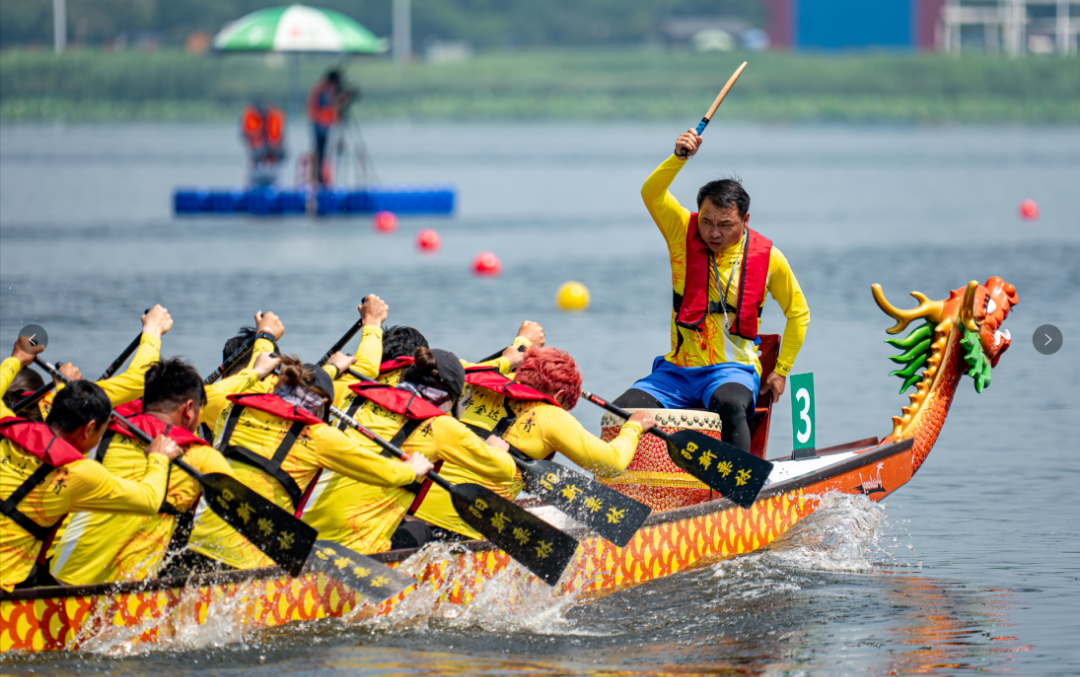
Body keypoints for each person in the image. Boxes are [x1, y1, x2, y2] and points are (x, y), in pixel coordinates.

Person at [613, 129, 810, 453]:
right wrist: (679, 158)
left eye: (725, 224)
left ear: (745, 220)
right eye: (707, 222)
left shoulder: (769, 258)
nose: (713, 233)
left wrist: (781, 371)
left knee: (729, 405)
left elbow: (799, 314)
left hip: (733, 371)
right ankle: (633, 479)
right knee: (621, 411)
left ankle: (740, 483)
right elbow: (651, 193)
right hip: (676, 373)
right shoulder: (680, 232)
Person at [185, 355, 433, 571]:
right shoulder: (318, 436)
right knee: (419, 530)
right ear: (324, 405)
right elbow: (383, 472)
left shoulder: (230, 409)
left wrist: (255, 372)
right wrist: (411, 470)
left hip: (197, 544)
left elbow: (206, 393)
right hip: (251, 563)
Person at [49, 356, 278, 586]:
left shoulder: (101, 435)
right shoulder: (201, 456)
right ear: (189, 410)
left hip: (58, 579)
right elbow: (255, 521)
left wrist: (62, 388)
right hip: (122, 594)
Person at [413, 346, 656, 540]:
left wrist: (518, 347)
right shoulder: (550, 415)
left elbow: (457, 365)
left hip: (411, 508)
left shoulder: (475, 384)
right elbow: (611, 464)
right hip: (463, 528)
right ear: (559, 396)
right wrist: (633, 428)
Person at [0, 336, 184, 592]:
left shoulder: (8, 426)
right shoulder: (80, 473)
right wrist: (159, 457)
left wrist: (15, 360)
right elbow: (150, 500)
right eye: (102, 432)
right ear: (88, 429)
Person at [300, 347, 517, 553]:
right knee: (419, 530)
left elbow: (303, 387)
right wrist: (495, 449)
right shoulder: (440, 426)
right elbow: (504, 470)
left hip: (297, 527)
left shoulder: (349, 391)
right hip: (351, 544)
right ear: (449, 399)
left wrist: (332, 369)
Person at [306, 69, 355, 186]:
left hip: (321, 123)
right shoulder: (325, 89)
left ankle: (321, 179)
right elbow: (330, 105)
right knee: (322, 154)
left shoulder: (321, 87)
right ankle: (320, 180)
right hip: (322, 124)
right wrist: (343, 99)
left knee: (322, 153)